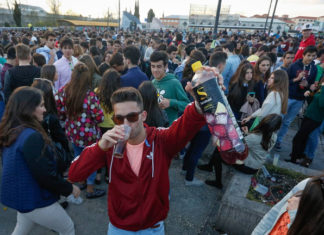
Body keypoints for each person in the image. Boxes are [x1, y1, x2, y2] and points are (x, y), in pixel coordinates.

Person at [68, 85, 207, 234]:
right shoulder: (109, 144)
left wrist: (200, 101)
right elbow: (74, 174)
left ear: (143, 115)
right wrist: (100, 147)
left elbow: (185, 124)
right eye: (119, 118)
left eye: (132, 117)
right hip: (120, 228)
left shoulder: (160, 140)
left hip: (152, 227)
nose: (126, 124)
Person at [0, 87, 79, 235]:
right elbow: (45, 175)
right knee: (67, 228)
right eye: (41, 105)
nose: (45, 110)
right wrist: (69, 189)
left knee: (21, 229)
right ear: (28, 108)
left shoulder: (13, 130)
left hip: (23, 197)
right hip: (35, 199)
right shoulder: (31, 136)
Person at [55, 63, 105, 199]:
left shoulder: (64, 91)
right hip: (89, 134)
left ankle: (81, 181)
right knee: (91, 160)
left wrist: (67, 117)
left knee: (78, 158)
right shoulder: (89, 95)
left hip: (73, 132)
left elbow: (59, 111)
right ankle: (90, 189)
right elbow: (100, 117)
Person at [275, 46, 318, 150]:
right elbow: (285, 82)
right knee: (278, 119)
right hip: (288, 96)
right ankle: (271, 138)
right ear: (303, 55)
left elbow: (311, 84)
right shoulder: (294, 66)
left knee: (287, 122)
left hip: (300, 99)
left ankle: (278, 141)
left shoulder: (314, 68)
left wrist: (309, 86)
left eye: (313, 56)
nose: (310, 58)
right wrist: (297, 79)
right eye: (308, 55)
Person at [289, 80, 324, 163]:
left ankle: (295, 158)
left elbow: (321, 104)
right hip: (308, 115)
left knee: (298, 138)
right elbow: (313, 101)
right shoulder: (321, 89)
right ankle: (298, 157)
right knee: (303, 138)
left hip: (315, 119)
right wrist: (309, 94)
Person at [151, 51, 190, 125]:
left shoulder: (174, 83)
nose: (155, 70)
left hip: (171, 127)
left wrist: (171, 102)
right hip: (156, 128)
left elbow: (187, 105)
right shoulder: (152, 83)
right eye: (153, 66)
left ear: (165, 66)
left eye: (159, 66)